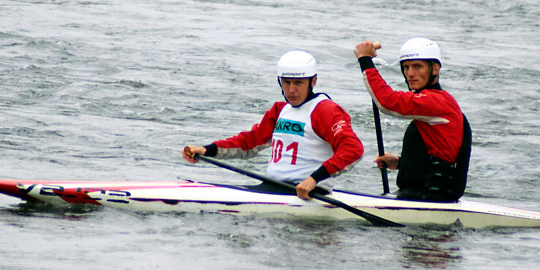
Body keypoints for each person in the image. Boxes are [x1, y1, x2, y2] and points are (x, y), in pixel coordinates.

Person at [182, 50, 364, 200]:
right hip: (272, 187)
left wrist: (314, 179)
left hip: (308, 193)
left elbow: (353, 149)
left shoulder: (325, 111)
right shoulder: (280, 109)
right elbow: (249, 142)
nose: (291, 90)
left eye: (298, 83)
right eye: (286, 82)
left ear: (313, 82)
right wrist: (207, 150)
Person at [353, 38, 470, 202]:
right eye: (406, 67)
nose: (410, 73)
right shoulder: (432, 104)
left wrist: (365, 61)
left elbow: (387, 102)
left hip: (432, 200)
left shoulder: (436, 101)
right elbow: (441, 151)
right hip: (419, 195)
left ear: (435, 69)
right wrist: (402, 164)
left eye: (417, 66)